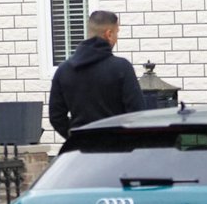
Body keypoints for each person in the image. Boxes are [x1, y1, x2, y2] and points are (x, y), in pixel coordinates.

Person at [48, 9, 146, 139]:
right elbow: (137, 113)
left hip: (80, 151)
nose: (117, 38)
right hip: (117, 150)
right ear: (109, 34)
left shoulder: (64, 70)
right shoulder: (121, 68)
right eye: (117, 33)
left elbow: (56, 116)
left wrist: (75, 137)